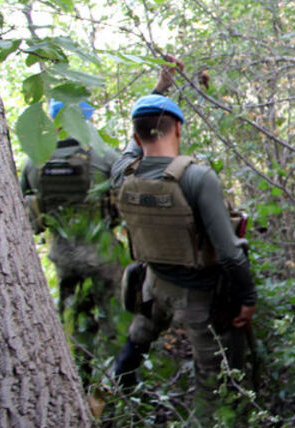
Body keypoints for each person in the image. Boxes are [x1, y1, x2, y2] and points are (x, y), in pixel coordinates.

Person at [111, 65, 256, 420]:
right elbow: (229, 252)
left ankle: (114, 399)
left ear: (135, 133)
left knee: (139, 339)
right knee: (211, 381)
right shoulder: (196, 177)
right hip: (198, 299)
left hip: (152, 288)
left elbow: (135, 145)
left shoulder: (122, 174)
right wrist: (248, 298)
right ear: (178, 128)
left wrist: (159, 91)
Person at [21, 100, 123, 380]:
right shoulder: (104, 154)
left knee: (76, 321)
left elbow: (26, 203)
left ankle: (80, 376)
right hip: (102, 255)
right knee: (112, 320)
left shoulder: (35, 160)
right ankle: (113, 388)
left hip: (63, 257)